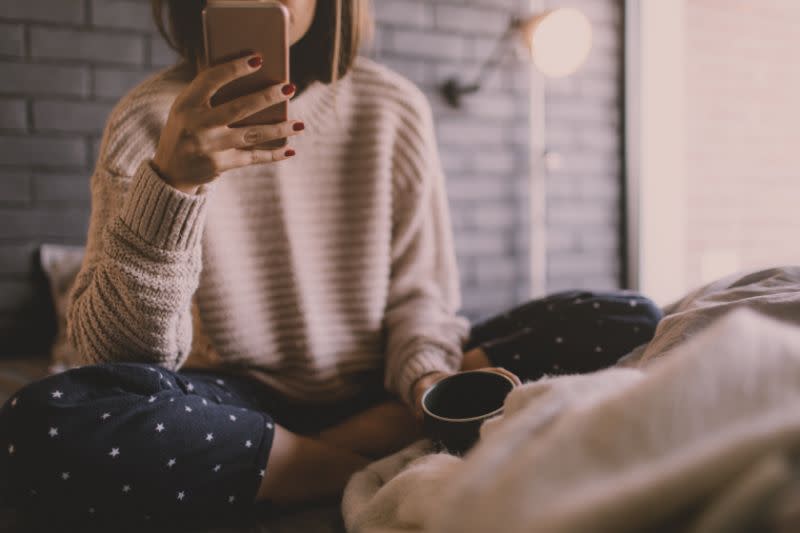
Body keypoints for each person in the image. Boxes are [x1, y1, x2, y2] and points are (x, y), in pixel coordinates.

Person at [0, 0, 662, 529]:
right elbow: (118, 362)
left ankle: (315, 452)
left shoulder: (392, 107)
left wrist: (429, 379)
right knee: (38, 427)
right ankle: (353, 455)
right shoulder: (148, 122)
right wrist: (172, 184)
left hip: (382, 382)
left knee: (627, 317)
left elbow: (420, 298)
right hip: (239, 398)